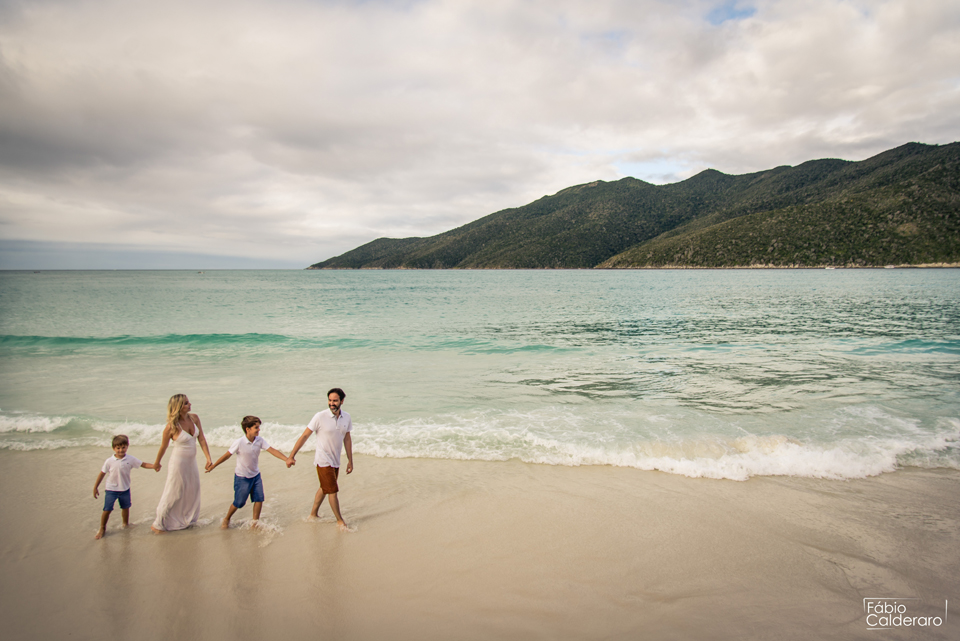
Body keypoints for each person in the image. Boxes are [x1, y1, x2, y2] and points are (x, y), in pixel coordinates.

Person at [287, 387, 354, 531]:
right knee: (332, 491)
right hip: (323, 460)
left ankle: (312, 515)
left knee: (325, 488)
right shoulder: (320, 416)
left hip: (336, 460)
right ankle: (340, 521)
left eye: (335, 400)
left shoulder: (347, 417)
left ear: (342, 401)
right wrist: (292, 455)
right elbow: (305, 436)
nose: (332, 403)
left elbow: (347, 439)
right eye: (330, 400)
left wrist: (350, 460)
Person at [206, 415, 289, 529]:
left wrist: (287, 459)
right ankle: (227, 518)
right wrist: (213, 466)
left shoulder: (259, 440)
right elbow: (226, 455)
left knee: (259, 499)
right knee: (239, 503)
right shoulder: (239, 442)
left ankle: (255, 523)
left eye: (259, 427)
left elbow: (272, 450)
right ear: (248, 429)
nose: (259, 429)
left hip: (255, 476)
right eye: (256, 427)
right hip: (242, 477)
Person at [151, 394, 212, 533]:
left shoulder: (194, 418)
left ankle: (186, 520)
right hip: (178, 463)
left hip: (192, 462)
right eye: (185, 403)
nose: (189, 404)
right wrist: (157, 463)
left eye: (188, 402)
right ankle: (158, 524)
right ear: (178, 407)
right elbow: (163, 447)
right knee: (173, 492)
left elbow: (201, 439)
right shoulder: (171, 426)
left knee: (193, 491)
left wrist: (208, 458)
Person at [93, 434, 159, 539]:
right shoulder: (109, 461)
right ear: (113, 448)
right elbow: (102, 473)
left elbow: (142, 464)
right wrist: (95, 487)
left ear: (127, 446)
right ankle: (102, 528)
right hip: (111, 489)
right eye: (118, 448)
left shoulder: (130, 459)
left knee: (126, 507)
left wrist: (154, 466)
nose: (121, 450)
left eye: (123, 447)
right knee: (107, 509)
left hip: (125, 489)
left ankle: (125, 524)